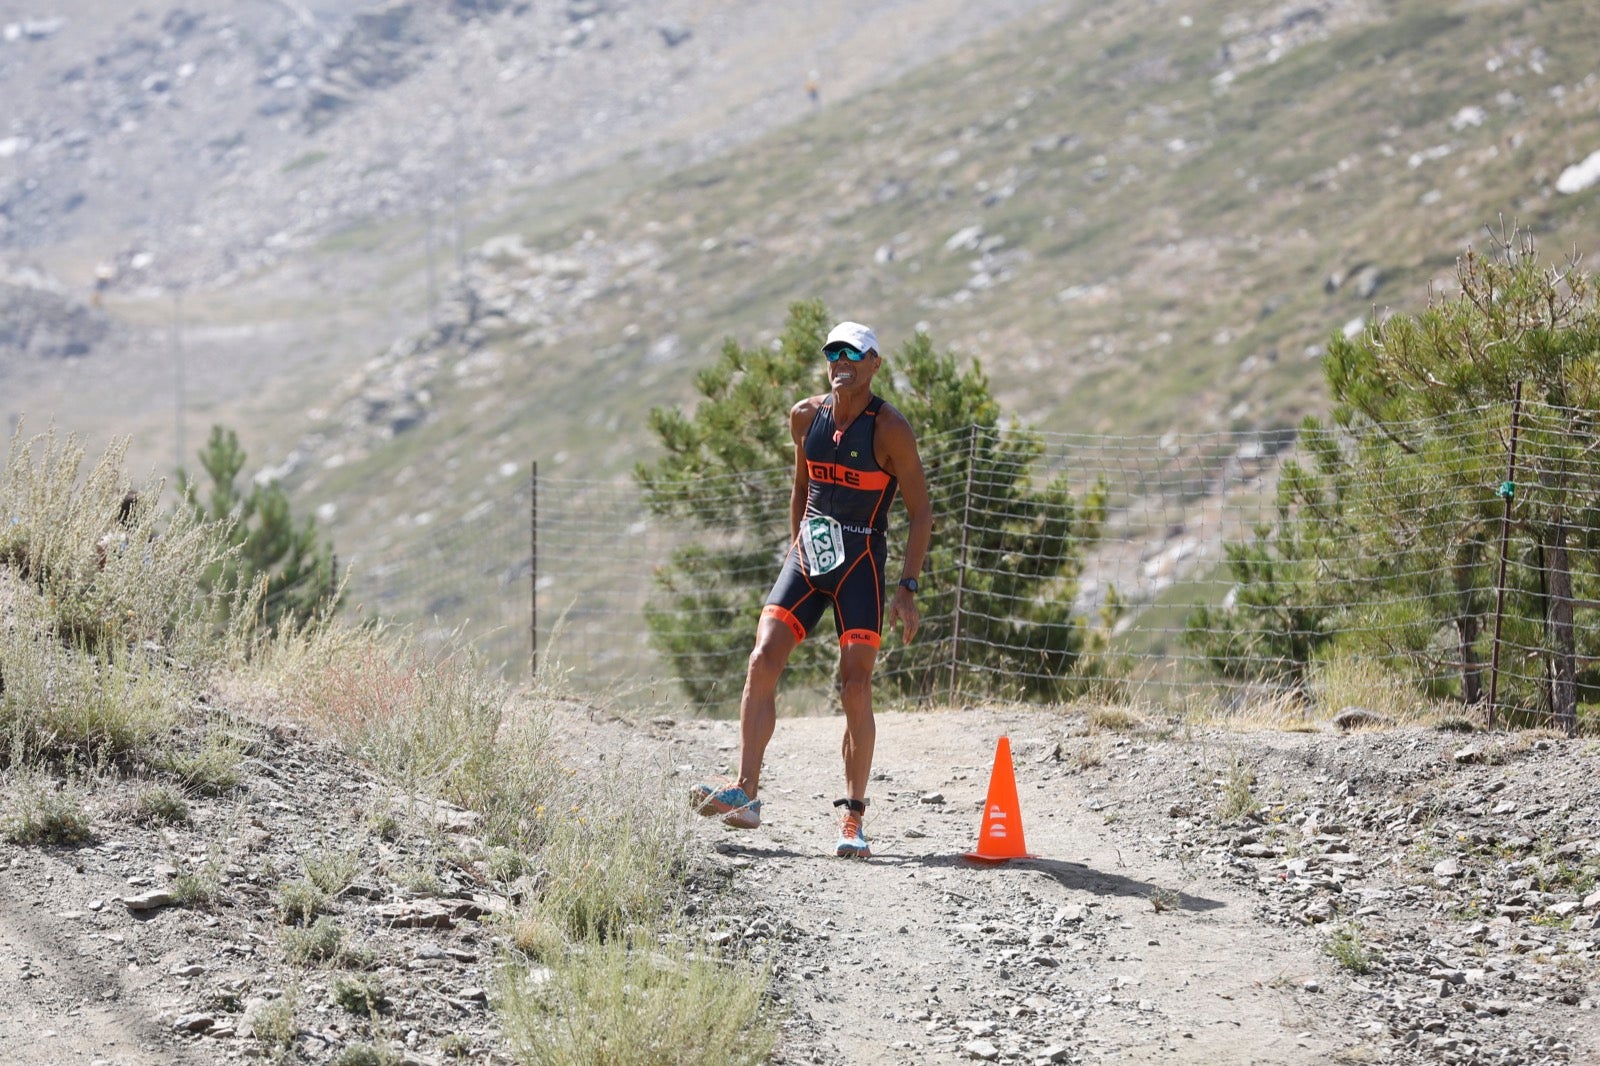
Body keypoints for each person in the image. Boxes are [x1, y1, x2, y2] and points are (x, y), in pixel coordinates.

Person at [693, 321, 932, 858]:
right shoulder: (806, 416)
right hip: (810, 555)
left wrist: (907, 589)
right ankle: (745, 794)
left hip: (861, 565)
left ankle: (853, 818)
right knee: (761, 659)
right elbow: (802, 487)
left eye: (854, 352)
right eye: (833, 351)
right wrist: (795, 549)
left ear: (874, 364)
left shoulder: (890, 429)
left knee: (854, 686)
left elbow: (921, 513)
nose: (841, 359)